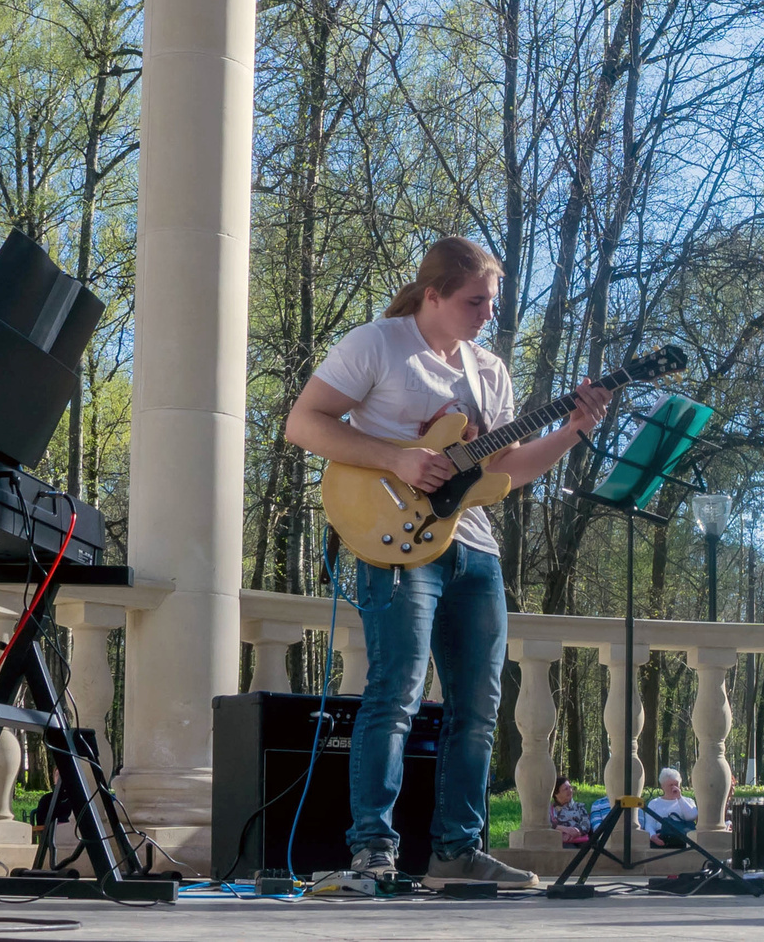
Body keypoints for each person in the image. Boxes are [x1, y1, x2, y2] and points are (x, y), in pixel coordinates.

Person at [283, 236, 613, 891]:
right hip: (394, 541)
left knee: (479, 708)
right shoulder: (377, 343)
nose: (487, 312)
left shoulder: (489, 371)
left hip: (475, 549)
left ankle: (457, 852)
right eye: (474, 300)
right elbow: (304, 423)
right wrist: (398, 457)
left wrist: (574, 428)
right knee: (397, 690)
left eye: (491, 301)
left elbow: (506, 472)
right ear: (432, 294)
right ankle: (371, 849)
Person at [641, 768, 699, 846]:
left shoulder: (688, 801)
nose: (674, 787)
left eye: (676, 784)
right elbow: (649, 824)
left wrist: (679, 798)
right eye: (670, 785)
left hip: (684, 837)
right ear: (663, 786)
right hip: (663, 837)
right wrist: (653, 836)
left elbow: (691, 817)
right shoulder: (654, 803)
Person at [548, 778, 592, 847]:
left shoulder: (579, 807)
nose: (570, 791)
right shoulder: (550, 811)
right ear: (556, 794)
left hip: (581, 840)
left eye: (570, 787)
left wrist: (576, 832)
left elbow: (586, 824)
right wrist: (565, 829)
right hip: (561, 842)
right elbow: (547, 826)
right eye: (566, 789)